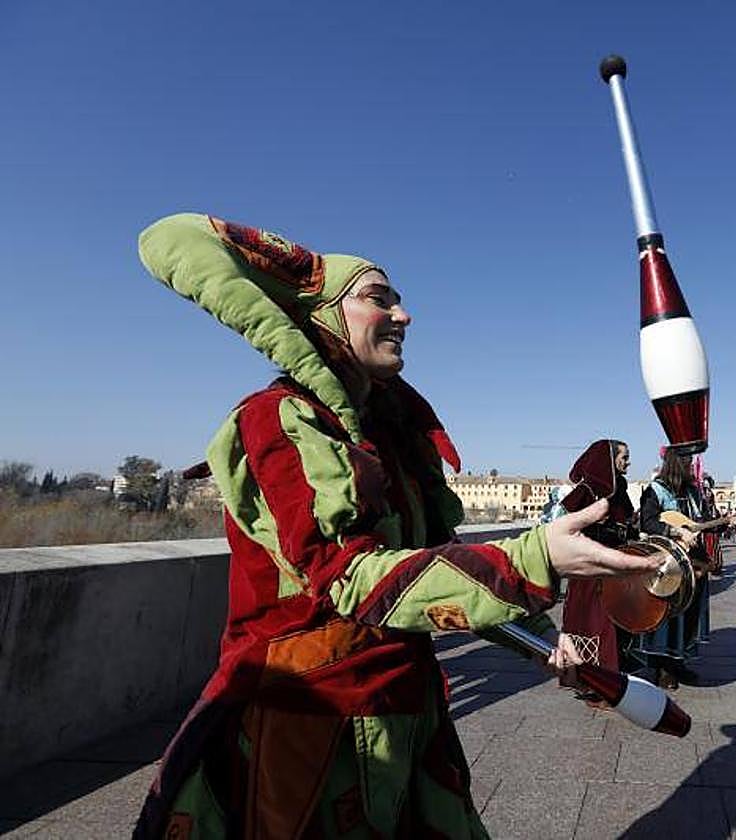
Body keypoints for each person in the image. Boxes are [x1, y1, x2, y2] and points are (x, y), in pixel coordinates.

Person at [132, 213, 660, 839]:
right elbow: (349, 579)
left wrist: (545, 636)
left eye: (400, 300)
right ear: (324, 317)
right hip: (312, 725)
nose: (404, 315)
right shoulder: (278, 421)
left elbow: (430, 562)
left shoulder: (393, 437)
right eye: (378, 298)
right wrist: (529, 561)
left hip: (408, 710)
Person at [628, 447, 710, 689]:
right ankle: (662, 668)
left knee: (689, 613)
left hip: (693, 561)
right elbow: (648, 521)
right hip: (667, 561)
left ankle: (679, 662)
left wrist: (723, 523)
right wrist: (674, 531)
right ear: (677, 463)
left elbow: (700, 522)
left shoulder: (694, 491)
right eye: (687, 462)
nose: (691, 466)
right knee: (667, 614)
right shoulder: (656, 490)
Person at [559, 440, 637, 683]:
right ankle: (595, 682)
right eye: (623, 457)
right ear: (609, 460)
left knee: (617, 623)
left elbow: (627, 524)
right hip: (590, 571)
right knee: (595, 623)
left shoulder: (619, 488)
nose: (628, 462)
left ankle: (614, 673)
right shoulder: (586, 491)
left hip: (615, 568)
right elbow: (567, 530)